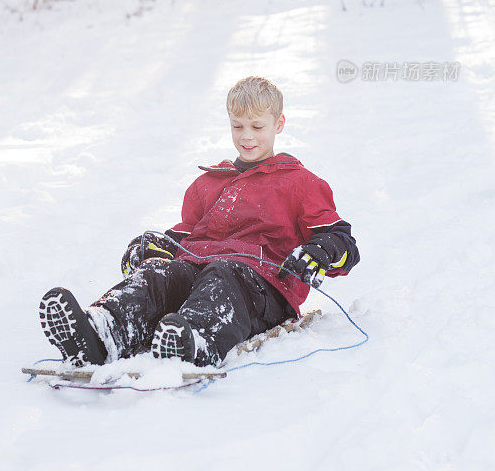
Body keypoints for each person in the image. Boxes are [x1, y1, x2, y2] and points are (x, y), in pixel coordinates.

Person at [39, 77, 360, 368]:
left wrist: (322, 250)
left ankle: (192, 340)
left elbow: (342, 243)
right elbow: (184, 237)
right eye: (238, 127)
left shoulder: (300, 183)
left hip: (261, 288)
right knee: (159, 273)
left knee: (223, 273)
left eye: (257, 127)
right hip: (198, 272)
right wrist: (154, 247)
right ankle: (99, 334)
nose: (247, 137)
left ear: (279, 124)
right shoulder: (209, 183)